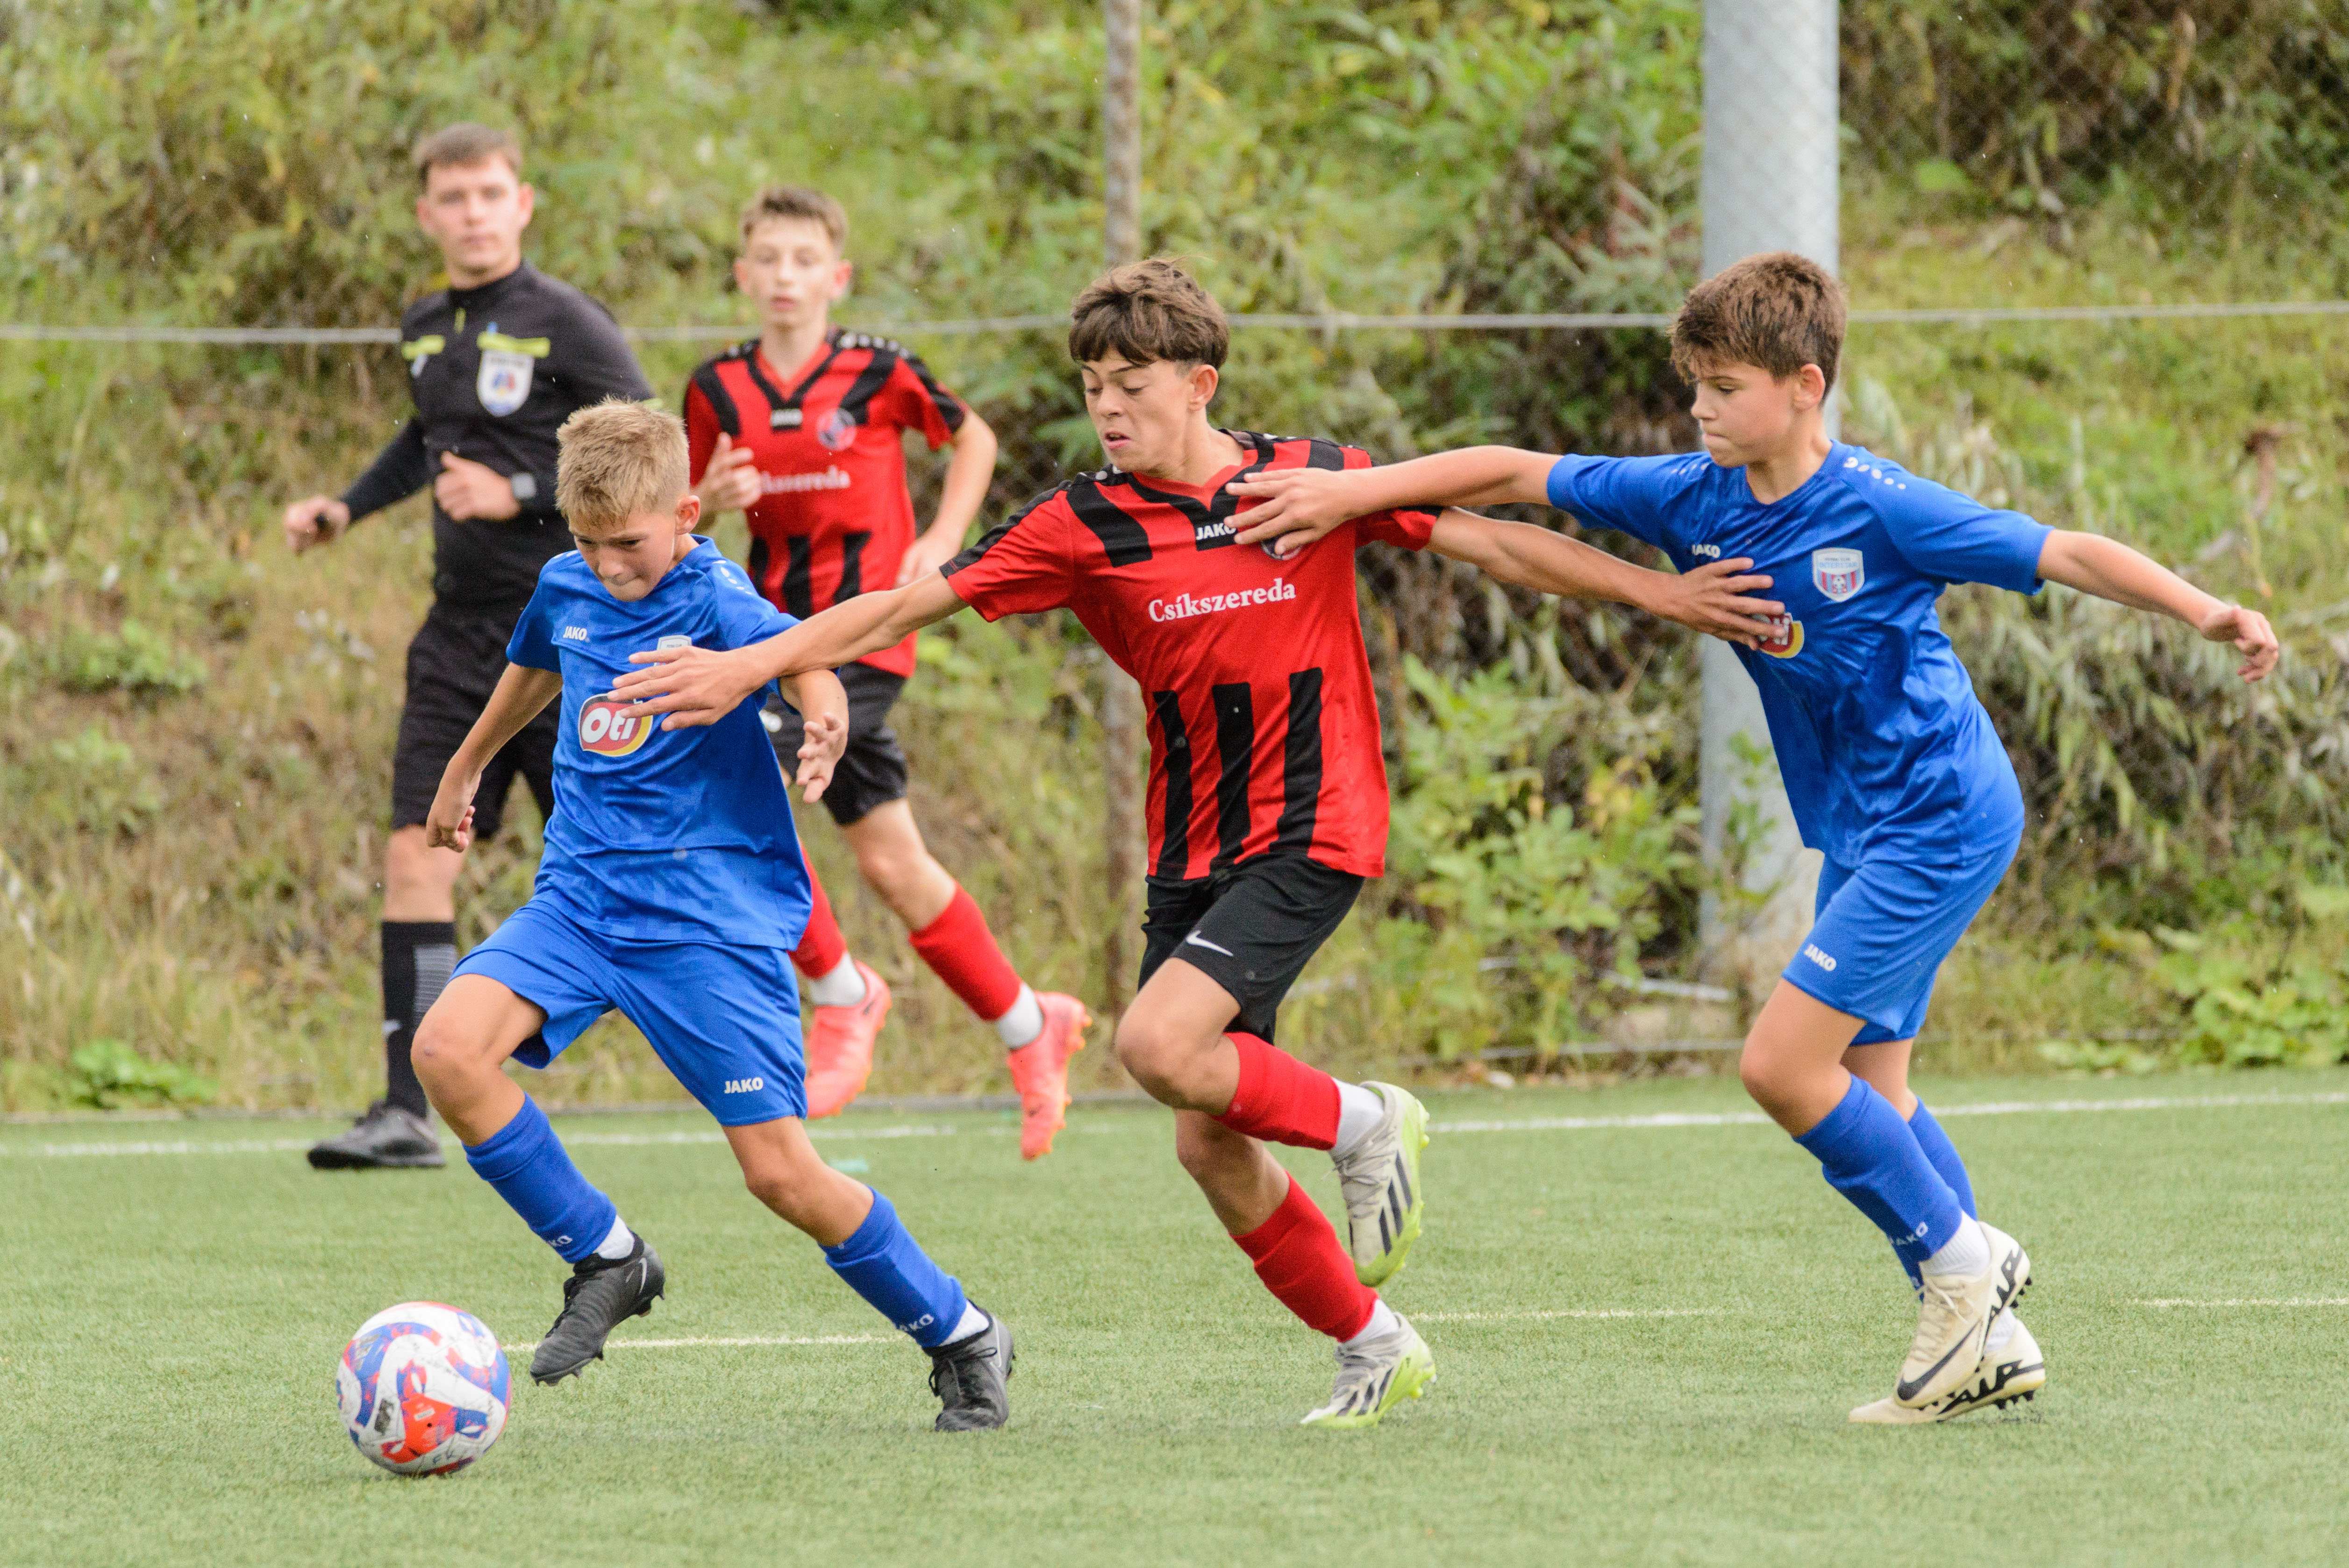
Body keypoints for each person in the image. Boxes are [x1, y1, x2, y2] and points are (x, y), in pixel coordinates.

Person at [613, 259, 1785, 1427]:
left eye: (1131, 384)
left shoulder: (1310, 481)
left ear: (1200, 383)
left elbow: (1496, 544)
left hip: (1316, 822)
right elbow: (902, 605)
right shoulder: (1083, 522)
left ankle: (1366, 1119)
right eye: (1092, 388)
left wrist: (1669, 597)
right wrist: (753, 664)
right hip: (1191, 847)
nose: (1109, 408)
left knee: (1158, 1043)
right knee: (1210, 1144)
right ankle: (1374, 1341)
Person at [1220, 250, 2282, 1423]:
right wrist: (1351, 495)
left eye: (1724, 387)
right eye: (1696, 385)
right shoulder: (1695, 494)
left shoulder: (1881, 506)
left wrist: (2205, 609)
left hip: (1941, 814)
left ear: (1805, 386)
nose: (1700, 408)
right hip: (1867, 824)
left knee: (1780, 1067)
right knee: (1873, 1085)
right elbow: (1517, 473)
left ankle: (1961, 1271)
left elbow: (2061, 550)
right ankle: (1985, 1315)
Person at [408, 399, 1014, 1430]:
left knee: (781, 1175)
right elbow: (535, 665)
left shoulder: (717, 596)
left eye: (630, 545)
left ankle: (960, 1331)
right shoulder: (567, 584)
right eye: (590, 545)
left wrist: (825, 722)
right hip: (582, 903)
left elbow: (806, 659)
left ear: (687, 514)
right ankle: (608, 1258)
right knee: (448, 1053)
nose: (609, 567)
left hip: (706, 922)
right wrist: (465, 767)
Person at [682, 186, 1089, 1153]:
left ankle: (841, 991)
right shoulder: (716, 389)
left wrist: (943, 539)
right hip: (774, 637)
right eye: (768, 259)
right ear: (743, 275)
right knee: (892, 864)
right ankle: (1032, 1024)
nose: (785, 276)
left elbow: (974, 436)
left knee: (720, 780)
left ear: (838, 276)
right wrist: (711, 493)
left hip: (866, 630)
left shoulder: (877, 369)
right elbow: (678, 516)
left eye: (804, 260)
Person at [280, 123, 655, 1170]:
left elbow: (648, 446)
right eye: (454, 197)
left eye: (491, 193)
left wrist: (522, 491)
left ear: (523, 203)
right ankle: (408, 1110)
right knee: (417, 851)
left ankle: (761, 1047)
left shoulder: (568, 321)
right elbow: (426, 440)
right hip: (457, 637)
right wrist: (346, 509)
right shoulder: (423, 326)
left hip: (575, 633)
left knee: (631, 862)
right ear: (427, 214)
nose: (474, 213)